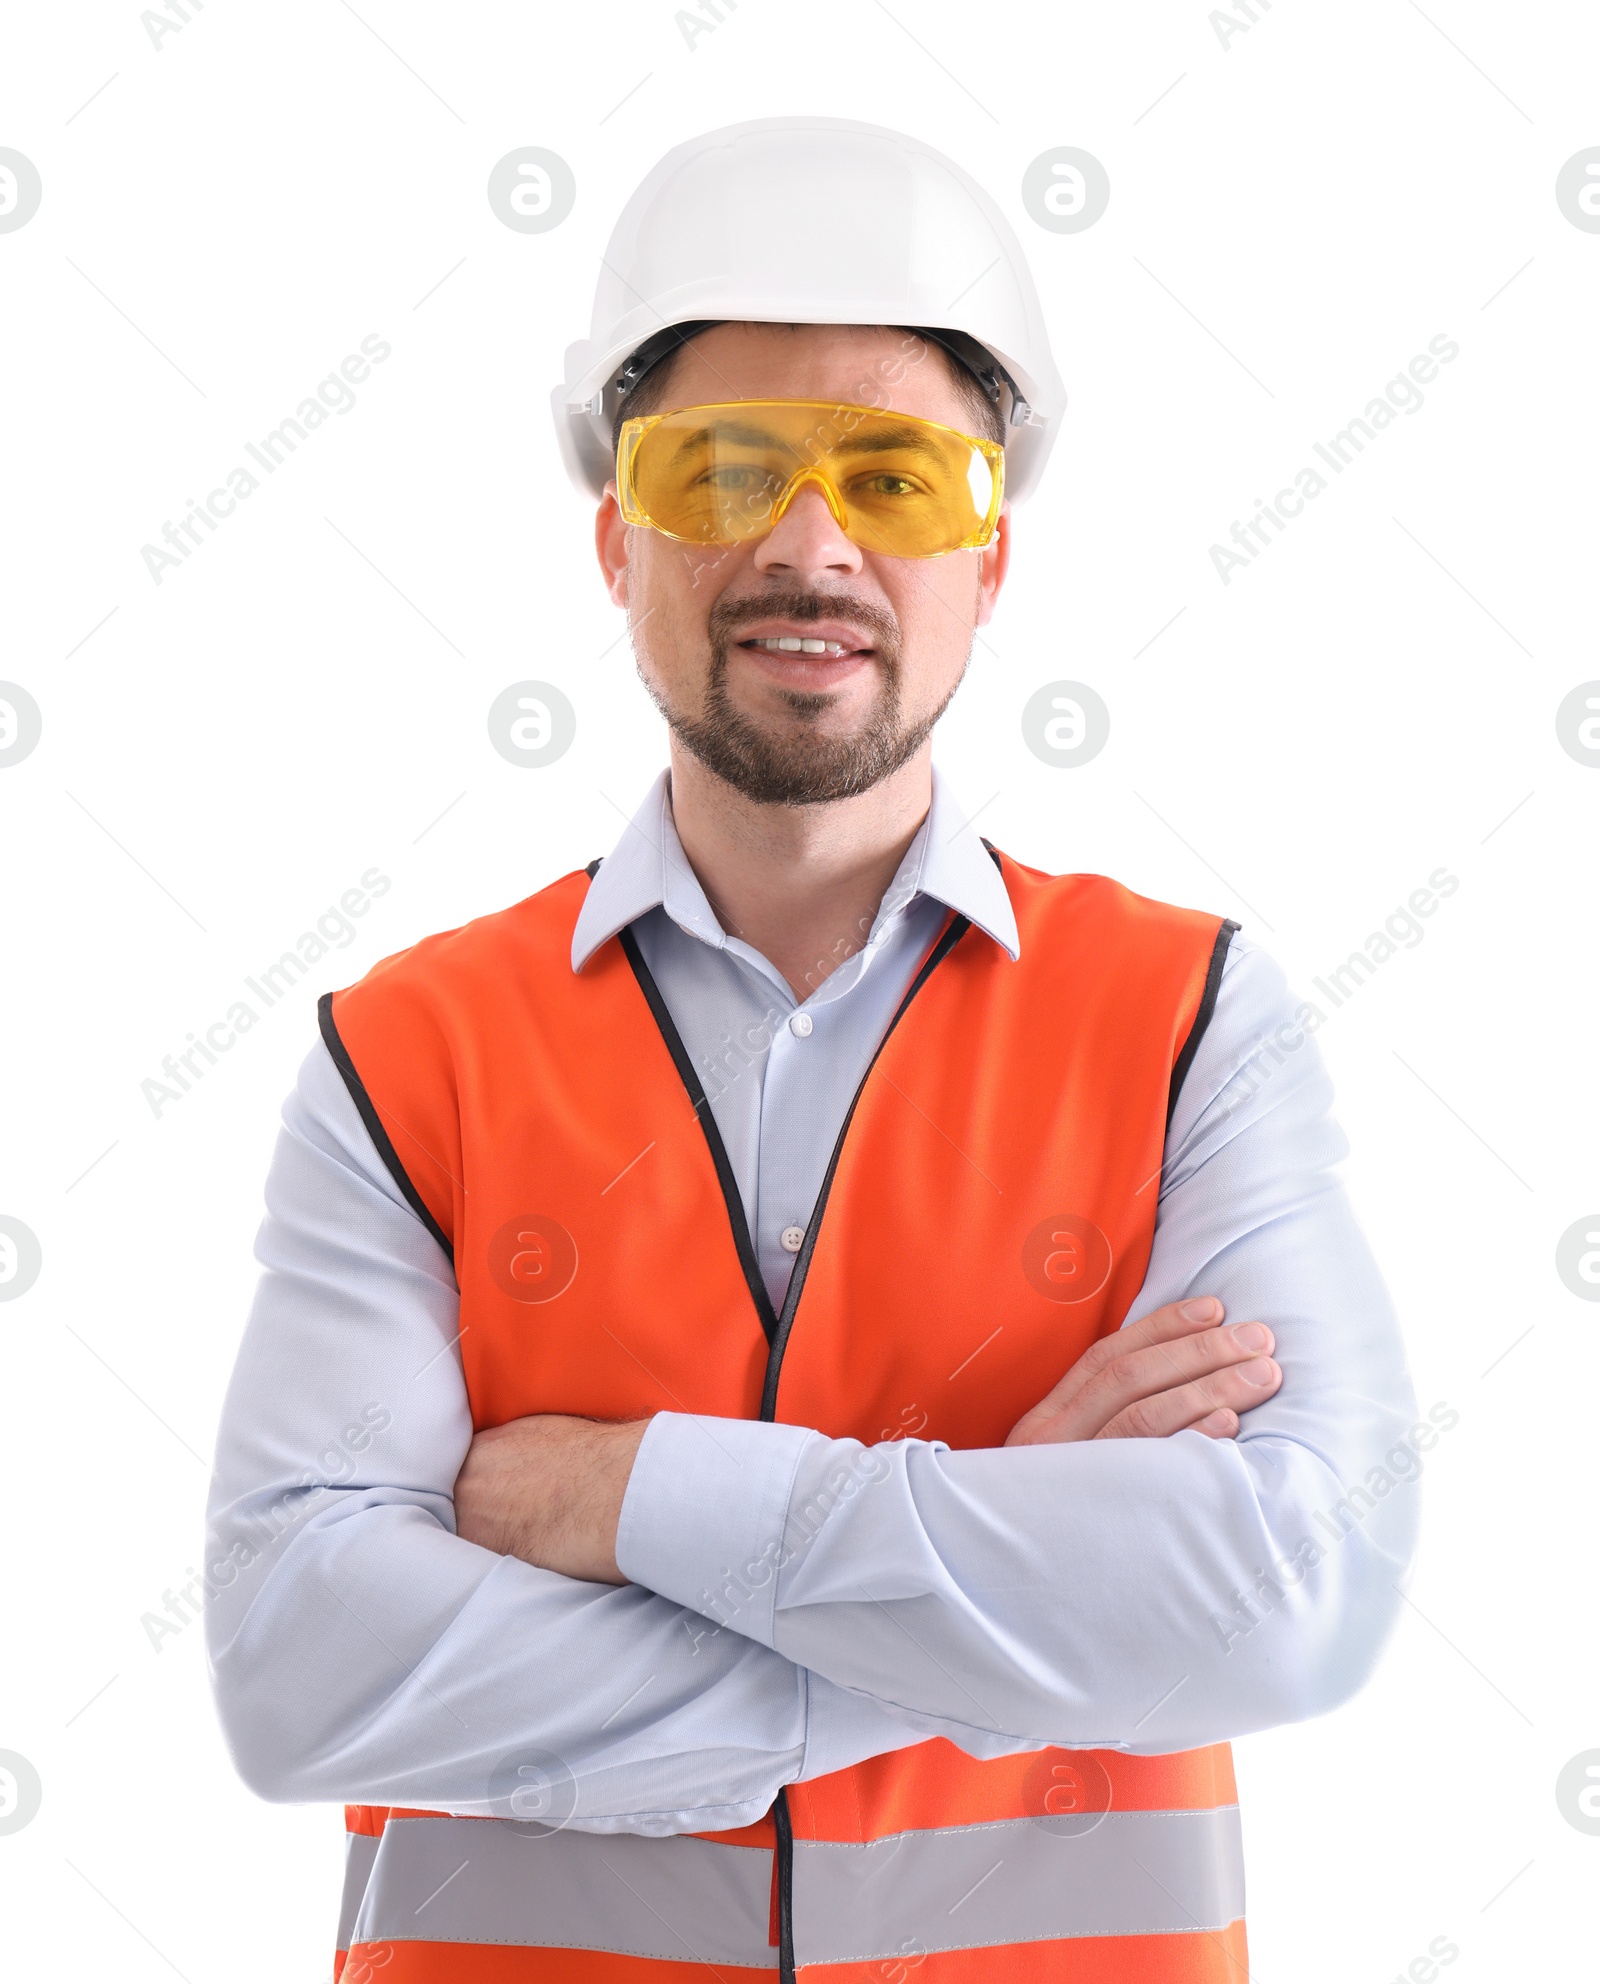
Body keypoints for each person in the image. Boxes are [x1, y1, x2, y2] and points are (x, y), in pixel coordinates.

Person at [206, 118, 1419, 1983]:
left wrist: (628, 1502)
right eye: (724, 471)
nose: (808, 545)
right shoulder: (410, 1053)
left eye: (898, 479)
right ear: (619, 541)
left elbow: (1300, 1593)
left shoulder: (1186, 1021)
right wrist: (1006, 1563)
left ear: (991, 555)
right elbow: (299, 1667)